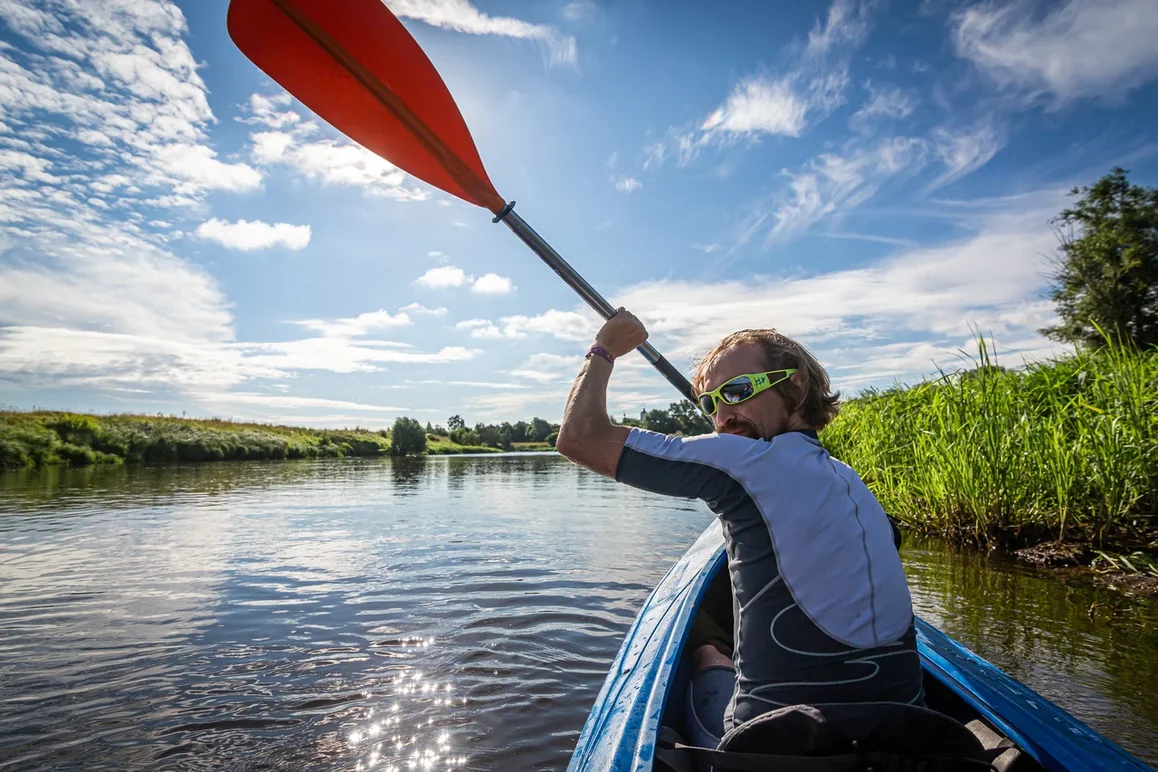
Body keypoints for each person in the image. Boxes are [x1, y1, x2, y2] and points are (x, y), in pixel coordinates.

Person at [555, 309, 924, 750]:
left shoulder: (742, 461)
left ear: (796, 385)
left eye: (739, 391)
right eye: (712, 402)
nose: (723, 416)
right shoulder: (851, 481)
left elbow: (579, 437)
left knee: (707, 656)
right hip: (908, 735)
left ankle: (711, 651)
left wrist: (604, 348)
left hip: (777, 748)